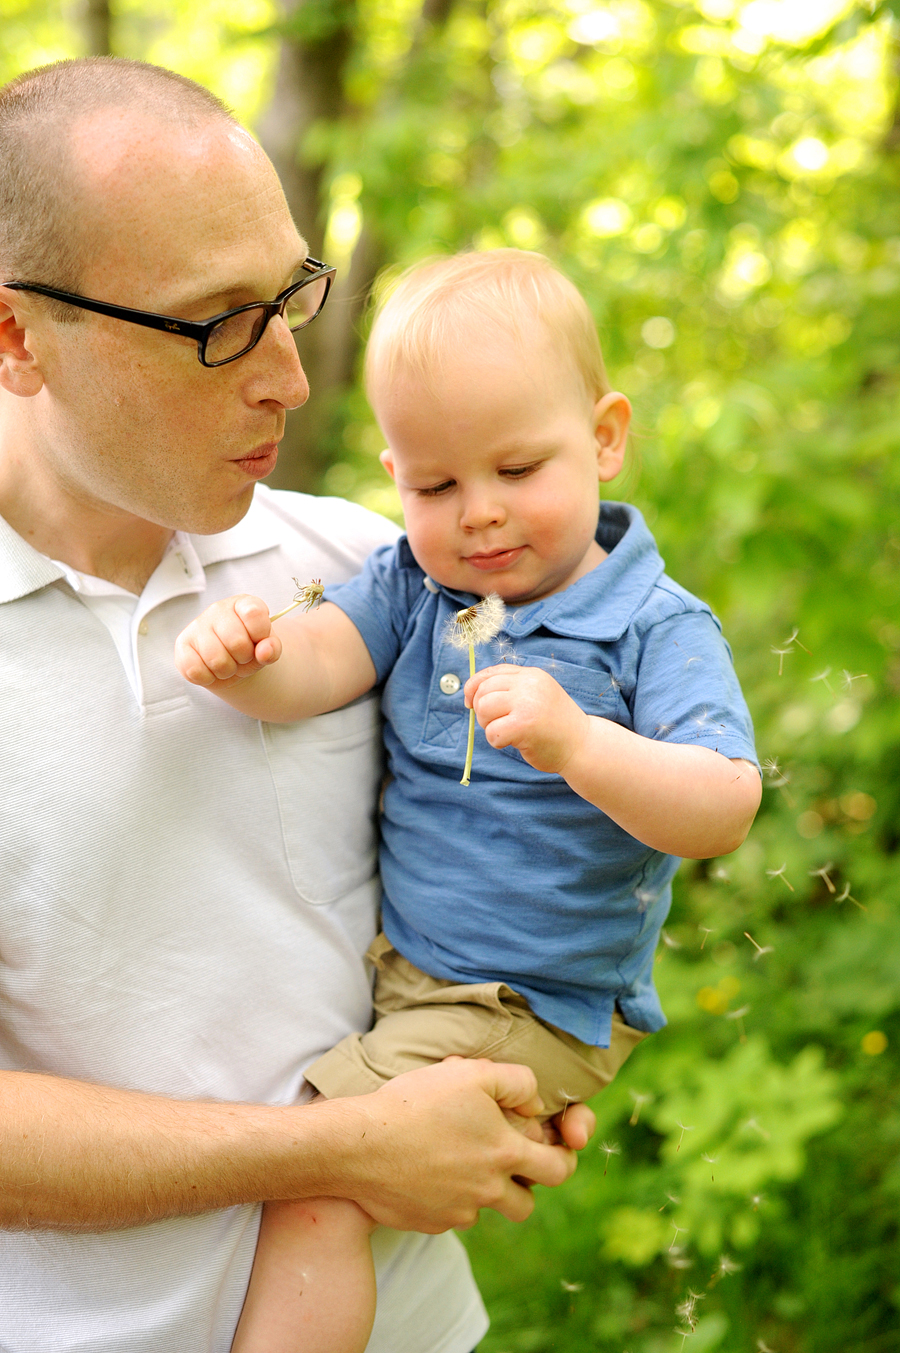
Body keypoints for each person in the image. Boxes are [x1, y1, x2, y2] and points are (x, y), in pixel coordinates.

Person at [0, 61, 592, 1353]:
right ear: (18, 338)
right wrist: (344, 1150)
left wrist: (517, 1056)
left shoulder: (372, 571)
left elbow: (523, 856)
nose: (288, 376)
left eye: (289, 296)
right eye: (218, 321)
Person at [175, 248, 763, 1353]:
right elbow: (318, 664)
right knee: (337, 1177)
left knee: (319, 1187)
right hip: (419, 979)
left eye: (517, 469)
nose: (480, 516)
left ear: (604, 437)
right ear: (396, 475)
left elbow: (723, 803)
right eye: (437, 486)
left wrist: (582, 742)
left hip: (527, 1001)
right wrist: (246, 656)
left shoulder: (653, 627)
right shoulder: (414, 583)